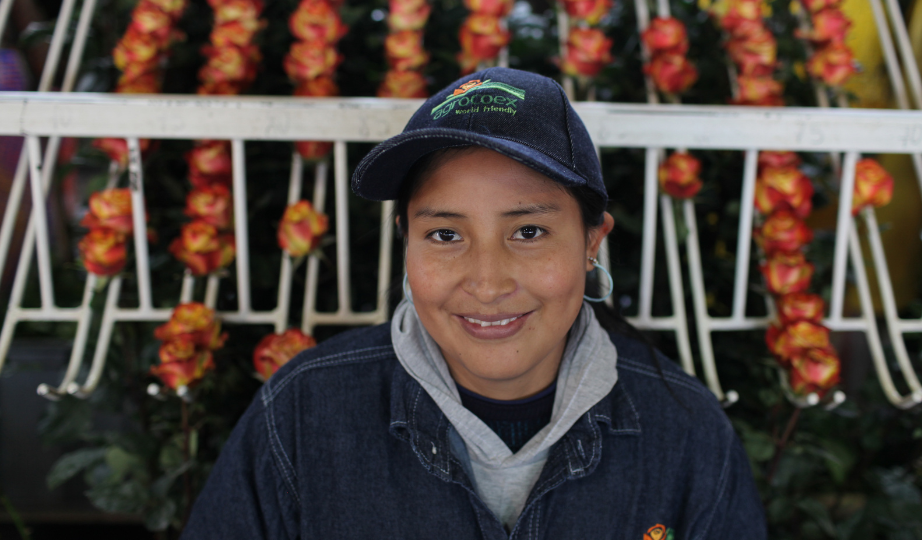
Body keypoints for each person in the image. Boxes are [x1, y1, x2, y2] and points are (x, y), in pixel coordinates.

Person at [182, 67, 766, 539]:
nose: (487, 284)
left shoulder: (685, 432)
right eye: (445, 235)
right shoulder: (303, 414)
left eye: (529, 232)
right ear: (405, 240)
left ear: (592, 241)